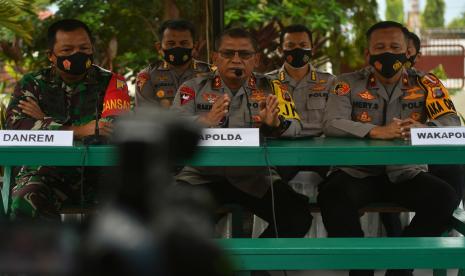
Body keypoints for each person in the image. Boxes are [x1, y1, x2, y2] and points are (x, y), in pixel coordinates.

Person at [319, 21, 460, 276]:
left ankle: (401, 266)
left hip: (405, 173)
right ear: (367, 53)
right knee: (331, 196)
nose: (387, 52)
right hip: (357, 172)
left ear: (408, 52)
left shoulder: (427, 83)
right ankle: (360, 268)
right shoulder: (346, 83)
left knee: (444, 197)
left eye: (395, 46)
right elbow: (331, 122)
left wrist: (422, 127)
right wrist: (375, 131)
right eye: (380, 47)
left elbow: (451, 121)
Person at [171, 27, 312, 239]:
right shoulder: (192, 87)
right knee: (180, 218)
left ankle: (258, 269)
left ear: (256, 59)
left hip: (254, 176)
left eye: (244, 54)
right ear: (215, 57)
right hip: (202, 176)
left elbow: (296, 126)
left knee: (297, 215)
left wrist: (274, 125)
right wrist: (204, 121)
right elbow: (173, 127)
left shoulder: (273, 87)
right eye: (228, 53)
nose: (236, 60)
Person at [5, 19, 131, 220]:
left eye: (84, 48)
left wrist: (45, 121)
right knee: (25, 200)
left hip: (102, 173)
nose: (77, 54)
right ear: (51, 56)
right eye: (67, 50)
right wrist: (78, 131)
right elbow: (17, 128)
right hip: (46, 172)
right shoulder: (33, 83)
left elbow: (113, 127)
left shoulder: (112, 82)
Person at [267, 24, 335, 182]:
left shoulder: (329, 81)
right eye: (291, 45)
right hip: (282, 150)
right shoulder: (267, 82)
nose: (297, 50)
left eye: (303, 45)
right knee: (272, 189)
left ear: (312, 49)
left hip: (320, 150)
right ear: (280, 50)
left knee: (338, 185)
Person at [135, 19, 212, 108]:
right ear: (159, 47)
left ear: (195, 46)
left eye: (184, 43)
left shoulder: (210, 73)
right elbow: (146, 116)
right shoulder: (146, 76)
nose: (177, 47)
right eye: (171, 44)